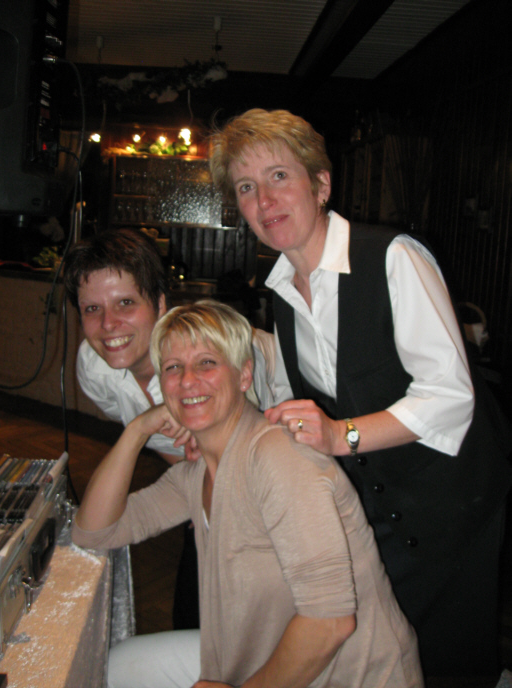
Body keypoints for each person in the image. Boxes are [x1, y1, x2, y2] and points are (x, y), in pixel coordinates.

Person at [209, 108, 512, 678]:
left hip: (452, 498)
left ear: (321, 185)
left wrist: (338, 436)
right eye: (246, 187)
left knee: (449, 656)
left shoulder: (392, 257)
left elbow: (450, 395)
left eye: (279, 176)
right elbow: (302, 396)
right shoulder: (281, 293)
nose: (264, 200)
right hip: (380, 502)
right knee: (391, 648)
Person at [71, 299, 424, 688]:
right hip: (261, 654)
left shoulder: (277, 456)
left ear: (244, 376)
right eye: (172, 368)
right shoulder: (197, 473)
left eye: (207, 362)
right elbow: (94, 532)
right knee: (120, 667)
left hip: (349, 675)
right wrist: (138, 430)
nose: (187, 380)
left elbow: (331, 623)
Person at [63, 227, 276, 630]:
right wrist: (178, 456)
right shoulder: (96, 370)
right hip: (211, 489)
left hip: (278, 486)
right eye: (92, 308)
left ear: (160, 304)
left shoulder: (210, 364)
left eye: (126, 302)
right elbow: (166, 443)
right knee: (194, 619)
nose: (108, 324)